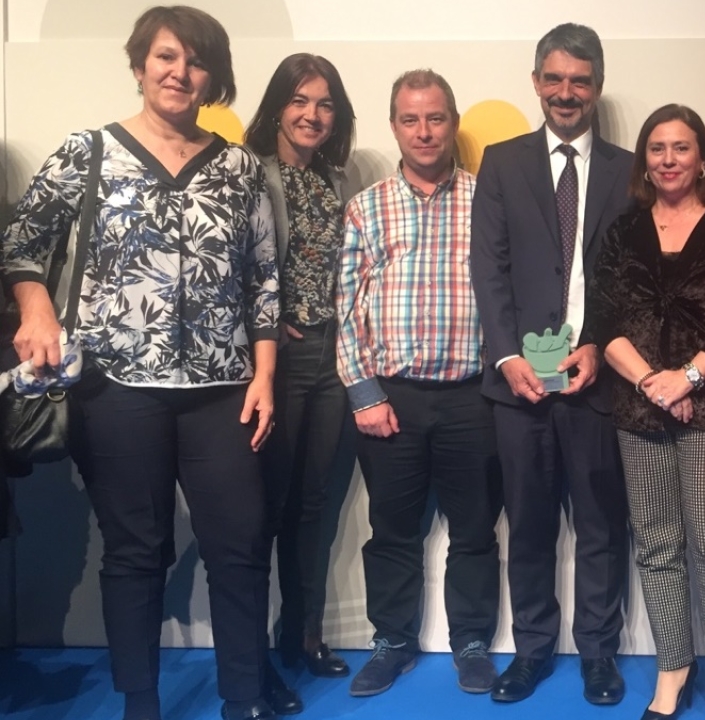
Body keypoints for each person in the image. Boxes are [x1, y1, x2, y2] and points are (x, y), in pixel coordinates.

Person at [0, 7, 286, 720]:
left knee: (240, 543)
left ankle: (244, 696)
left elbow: (263, 280)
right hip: (115, 386)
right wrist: (37, 309)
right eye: (165, 57)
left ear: (213, 78)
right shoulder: (88, 151)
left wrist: (264, 375)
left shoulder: (240, 168)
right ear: (139, 65)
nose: (179, 73)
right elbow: (21, 243)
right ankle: (142, 701)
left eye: (196, 61)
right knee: (135, 550)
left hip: (224, 387)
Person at [583, 104, 705, 720]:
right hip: (639, 411)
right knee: (656, 546)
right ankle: (673, 669)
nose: (668, 160)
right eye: (657, 148)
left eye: (681, 148)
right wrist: (652, 385)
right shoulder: (623, 232)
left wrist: (685, 379)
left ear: (702, 160)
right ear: (644, 160)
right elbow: (604, 318)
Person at [470, 23, 632, 705]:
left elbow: (632, 279)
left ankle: (598, 654)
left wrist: (600, 344)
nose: (567, 93)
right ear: (537, 81)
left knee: (601, 528)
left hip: (598, 384)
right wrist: (508, 356)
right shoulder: (502, 163)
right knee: (529, 528)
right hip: (519, 388)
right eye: (556, 79)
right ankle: (532, 650)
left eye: (581, 81)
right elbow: (489, 268)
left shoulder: (629, 170)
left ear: (597, 86)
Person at [335, 69, 503, 699]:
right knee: (392, 531)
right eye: (411, 119)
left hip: (473, 396)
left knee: (475, 530)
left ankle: (472, 643)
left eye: (435, 118)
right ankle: (393, 642)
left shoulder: (489, 200)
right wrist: (364, 393)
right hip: (391, 398)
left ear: (453, 123)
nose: (424, 131)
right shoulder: (367, 206)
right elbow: (346, 308)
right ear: (395, 126)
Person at [242, 52, 356, 681]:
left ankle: (303, 635)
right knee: (266, 504)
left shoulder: (336, 180)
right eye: (300, 100)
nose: (313, 114)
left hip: (330, 357)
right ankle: (251, 651)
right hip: (275, 362)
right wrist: (261, 323)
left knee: (314, 504)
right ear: (278, 108)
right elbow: (225, 264)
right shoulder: (247, 173)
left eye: (325, 104)